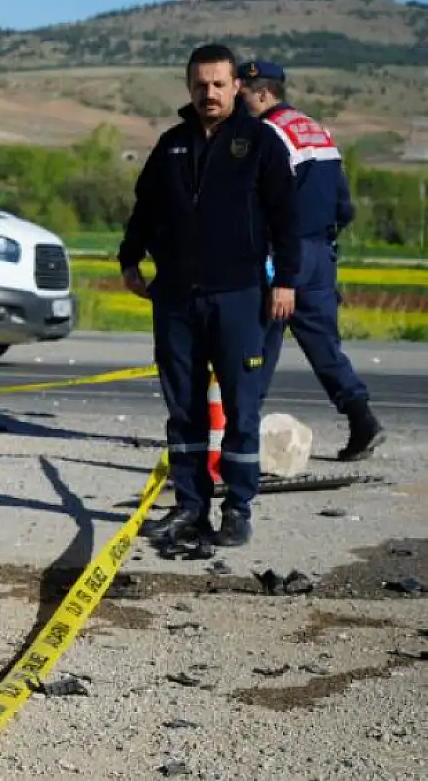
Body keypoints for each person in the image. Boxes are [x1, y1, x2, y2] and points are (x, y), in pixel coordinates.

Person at [119, 43, 298, 550]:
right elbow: (145, 208)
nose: (210, 93)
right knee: (184, 409)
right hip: (175, 298)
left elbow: (286, 219)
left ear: (237, 86)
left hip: (239, 296)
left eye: (219, 84)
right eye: (200, 84)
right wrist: (129, 259)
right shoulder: (171, 144)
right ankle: (190, 506)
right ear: (188, 86)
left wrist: (285, 281)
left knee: (242, 407)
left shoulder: (261, 142)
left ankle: (237, 508)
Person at [240, 60, 385, 461]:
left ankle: (242, 432)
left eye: (243, 95)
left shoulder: (265, 133)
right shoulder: (317, 131)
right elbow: (344, 204)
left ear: (263, 94)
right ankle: (362, 418)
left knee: (257, 343)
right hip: (320, 253)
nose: (239, 102)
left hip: (283, 253)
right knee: (324, 345)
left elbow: (266, 200)